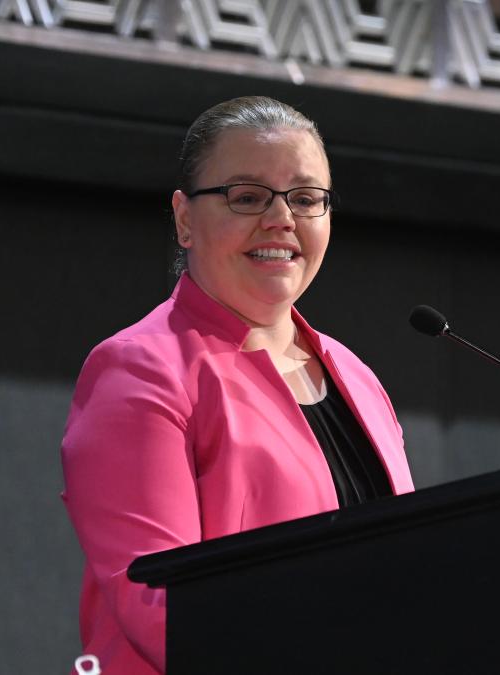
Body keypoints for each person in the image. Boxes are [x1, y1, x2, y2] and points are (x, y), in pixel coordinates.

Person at [60, 96, 415, 674]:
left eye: (305, 199)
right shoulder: (140, 370)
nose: (282, 219)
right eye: (247, 197)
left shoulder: (358, 376)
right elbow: (164, 607)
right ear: (183, 219)